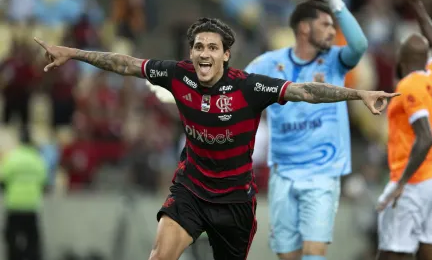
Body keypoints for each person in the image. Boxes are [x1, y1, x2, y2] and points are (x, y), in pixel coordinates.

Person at [34, 17, 398, 260]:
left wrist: (359, 95)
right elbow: (123, 63)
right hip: (190, 189)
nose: (204, 53)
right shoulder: (177, 75)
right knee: (159, 257)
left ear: (225, 54)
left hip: (234, 201)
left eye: (212, 48)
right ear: (191, 52)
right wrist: (72, 54)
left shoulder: (250, 87)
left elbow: (306, 92)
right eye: (198, 47)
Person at [244, 0, 367, 258]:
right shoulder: (268, 63)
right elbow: (237, 88)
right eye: (325, 25)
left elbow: (359, 45)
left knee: (314, 252)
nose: (333, 31)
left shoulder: (335, 60)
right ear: (303, 28)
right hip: (283, 172)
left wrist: (333, 0)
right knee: (287, 254)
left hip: (323, 171)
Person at [375, 0, 432, 260]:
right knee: (431, 250)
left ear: (402, 59)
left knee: (392, 252)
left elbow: (425, 137)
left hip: (414, 180)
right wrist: (417, 6)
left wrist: (400, 183)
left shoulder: (408, 86)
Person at [0, 128, 48, 260]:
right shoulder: (37, 159)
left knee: (12, 239)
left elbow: (2, 180)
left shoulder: (12, 158)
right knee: (32, 241)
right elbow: (44, 182)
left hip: (14, 206)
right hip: (31, 206)